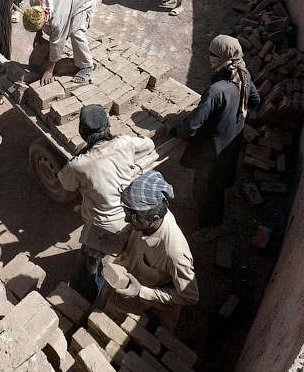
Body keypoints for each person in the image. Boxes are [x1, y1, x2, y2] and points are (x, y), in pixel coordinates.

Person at [57, 104, 155, 302]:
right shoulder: (125, 143)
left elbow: (66, 183)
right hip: (132, 219)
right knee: (121, 259)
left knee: (86, 272)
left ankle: (84, 303)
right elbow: (149, 146)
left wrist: (78, 154)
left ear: (82, 132)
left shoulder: (80, 164)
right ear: (108, 126)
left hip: (102, 229)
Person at [175, 35, 261, 239]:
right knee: (206, 180)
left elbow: (191, 127)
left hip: (213, 151)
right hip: (231, 143)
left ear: (218, 60)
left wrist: (174, 128)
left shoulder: (215, 91)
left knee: (212, 190)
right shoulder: (244, 75)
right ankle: (195, 198)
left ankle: (214, 226)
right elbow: (255, 100)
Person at [110, 169, 199, 331]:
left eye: (132, 216)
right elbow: (131, 228)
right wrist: (121, 237)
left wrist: (141, 291)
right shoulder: (151, 212)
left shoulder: (175, 253)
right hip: (134, 280)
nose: (125, 219)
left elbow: (190, 296)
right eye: (126, 212)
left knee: (153, 333)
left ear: (154, 219)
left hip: (156, 302)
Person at [21, 0, 97, 85]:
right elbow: (39, 20)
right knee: (53, 29)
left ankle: (87, 66)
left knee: (76, 32)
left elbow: (58, 41)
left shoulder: (57, 19)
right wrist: (39, 34)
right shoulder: (35, 0)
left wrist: (49, 70)